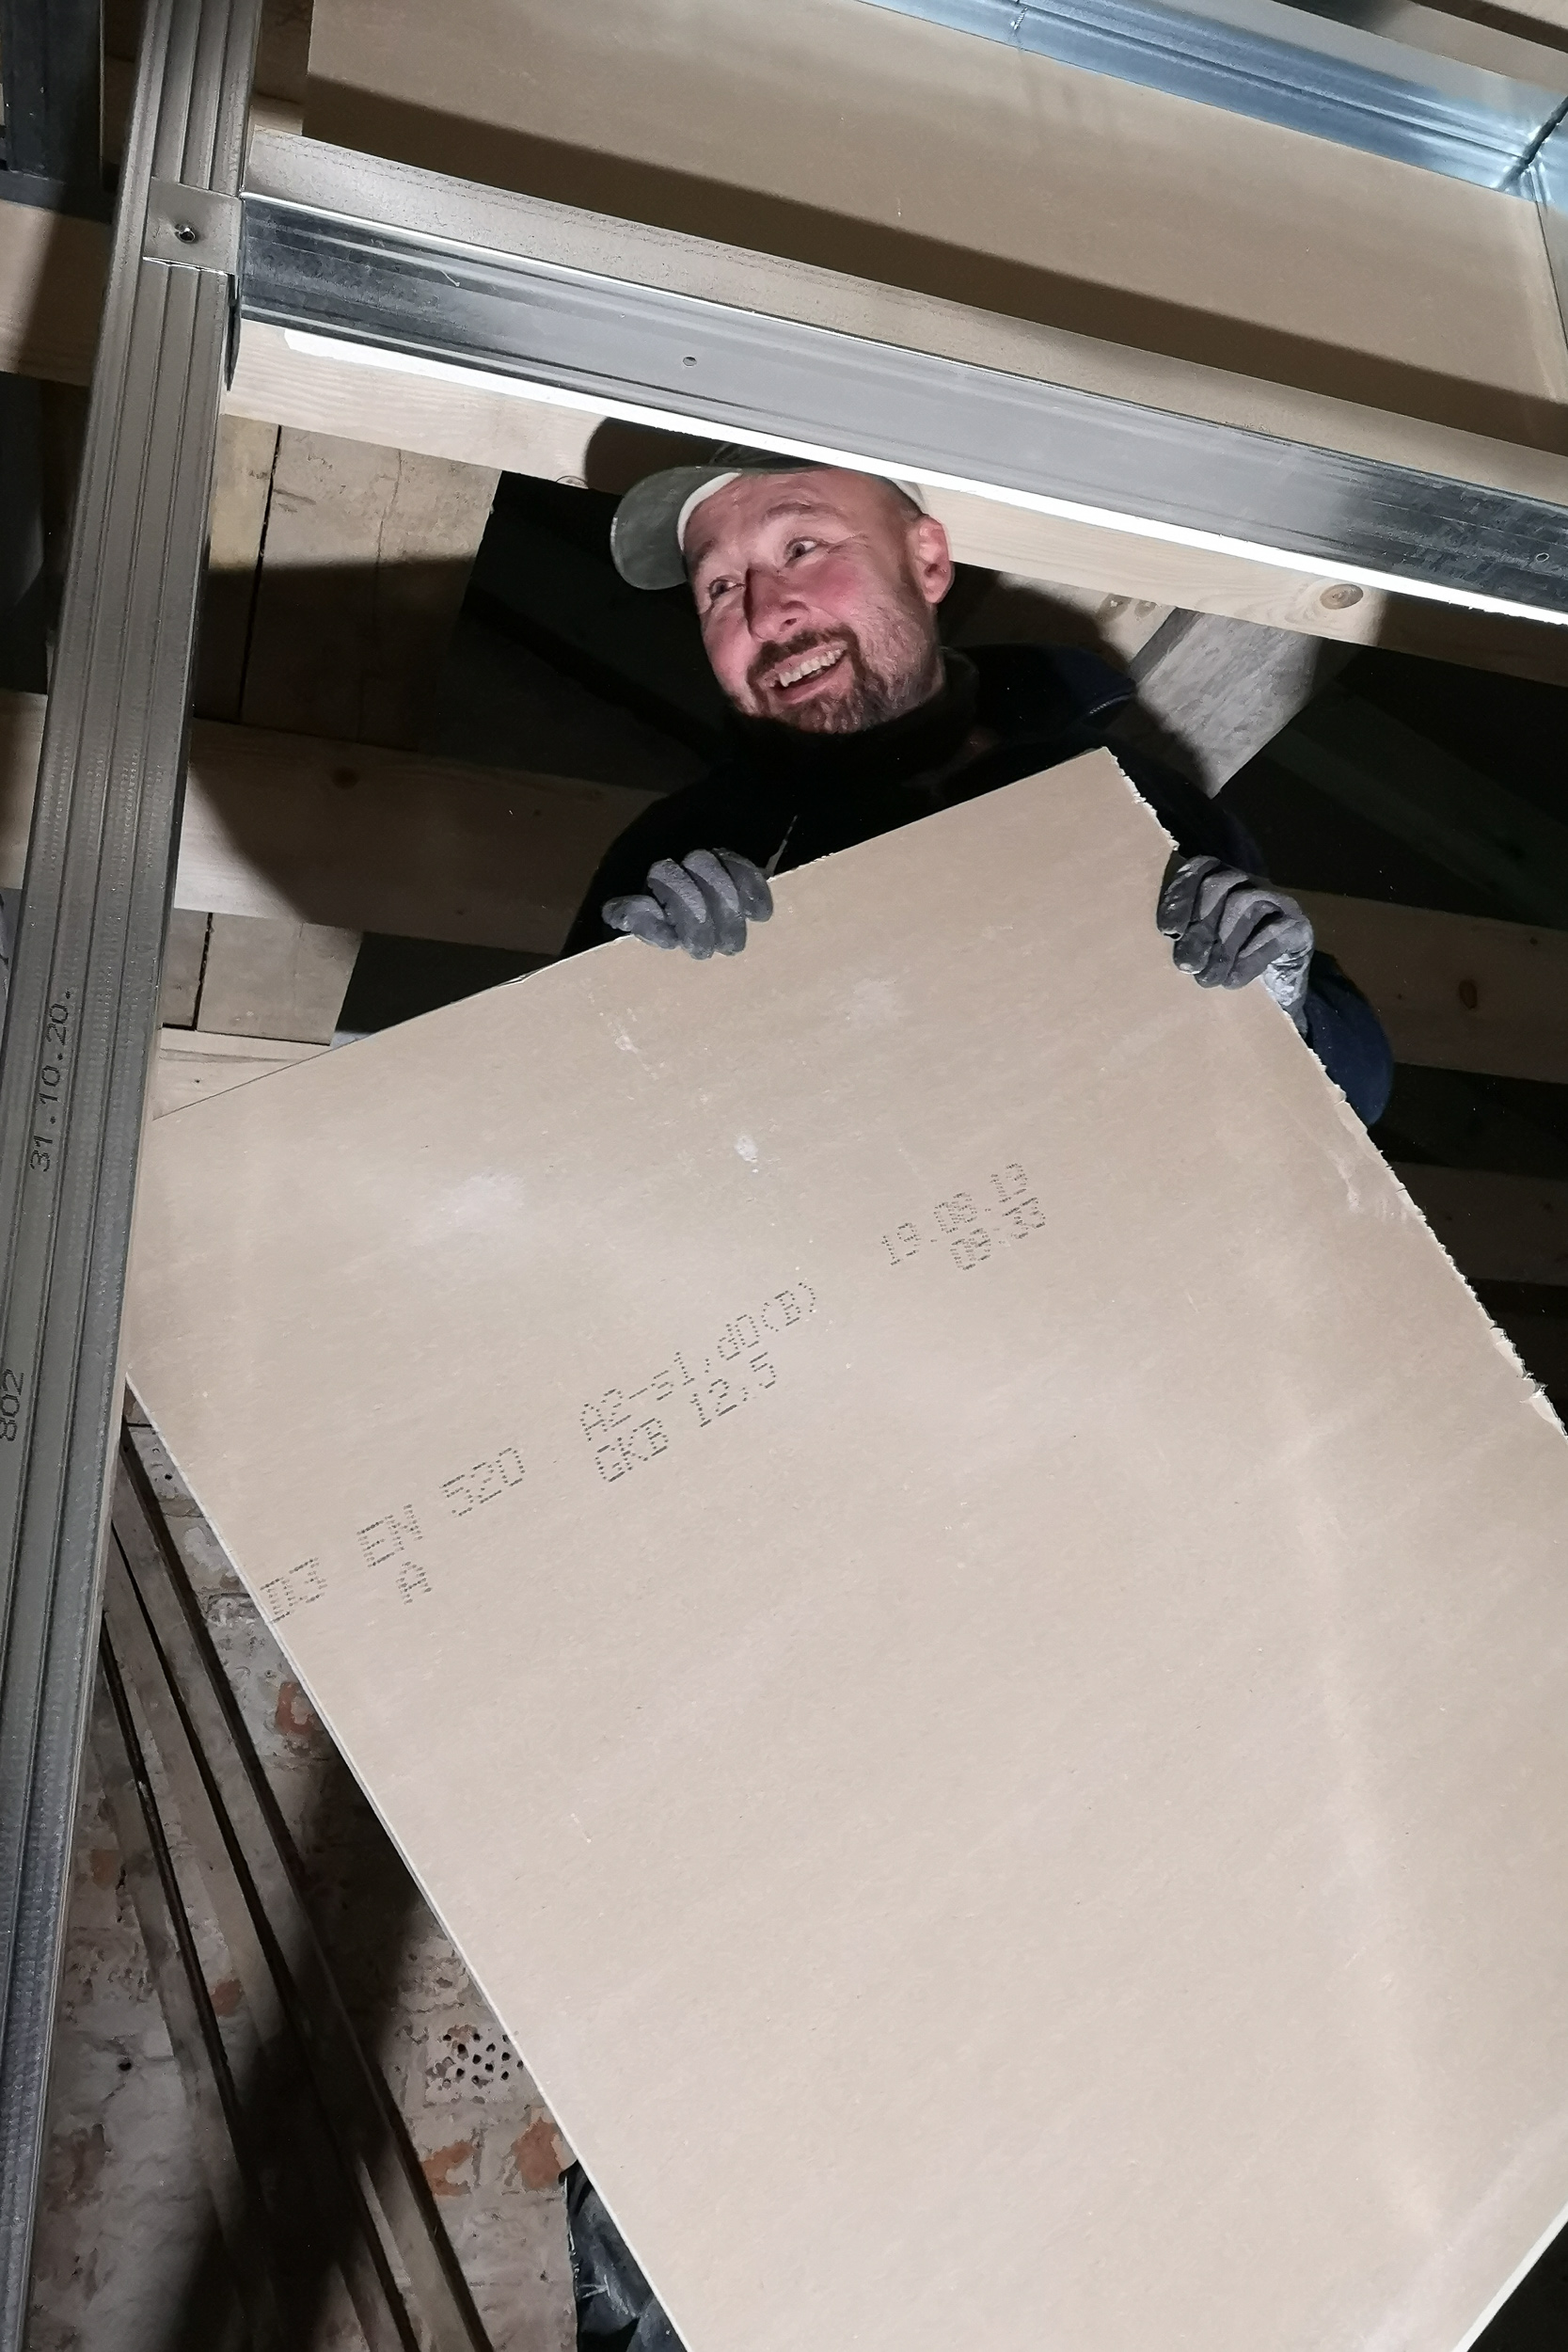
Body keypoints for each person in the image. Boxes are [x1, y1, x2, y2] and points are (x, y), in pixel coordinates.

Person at [562, 452, 1392, 1125]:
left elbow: (1350, 1099)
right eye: (716, 588)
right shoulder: (673, 854)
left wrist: (1280, 1004)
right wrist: (637, 1009)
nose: (763, 612)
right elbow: (567, 1133)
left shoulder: (1118, 790)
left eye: (802, 549)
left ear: (925, 560)